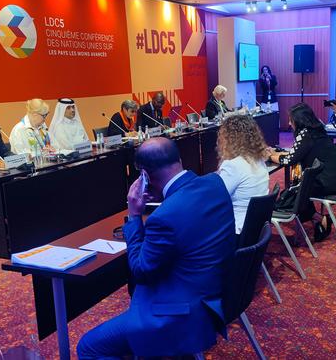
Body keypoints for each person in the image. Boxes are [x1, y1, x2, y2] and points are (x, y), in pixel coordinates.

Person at [77, 138, 235, 359]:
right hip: (212, 298)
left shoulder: (164, 217)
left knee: (88, 347)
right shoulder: (214, 184)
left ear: (144, 175)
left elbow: (141, 271)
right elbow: (188, 214)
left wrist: (134, 215)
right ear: (179, 159)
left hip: (180, 313)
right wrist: (164, 197)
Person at [269, 103, 336, 241]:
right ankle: (319, 219)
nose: (289, 123)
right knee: (297, 189)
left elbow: (289, 160)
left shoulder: (305, 134)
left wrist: (269, 156)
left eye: (291, 120)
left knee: (290, 195)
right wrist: (277, 154)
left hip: (326, 182)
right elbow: (296, 154)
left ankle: (319, 218)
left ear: (299, 121)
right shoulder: (317, 130)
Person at [216, 115, 270, 235]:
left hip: (235, 231)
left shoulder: (233, 165)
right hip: (256, 228)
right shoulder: (259, 160)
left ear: (229, 138)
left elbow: (216, 197)